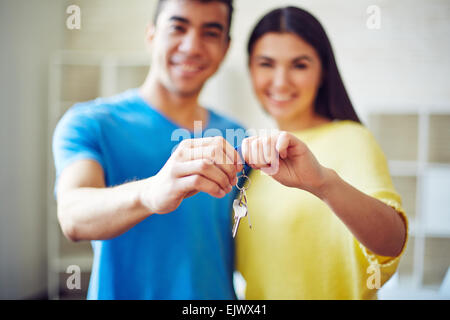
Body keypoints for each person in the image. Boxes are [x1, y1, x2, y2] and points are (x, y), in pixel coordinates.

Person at [53, 0, 246, 299]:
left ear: (225, 48)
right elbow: (73, 216)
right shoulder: (91, 123)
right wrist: (152, 192)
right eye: (178, 27)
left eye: (210, 33)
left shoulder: (237, 136)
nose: (192, 46)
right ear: (151, 35)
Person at [235, 7, 409, 299]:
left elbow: (392, 243)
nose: (280, 81)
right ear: (250, 68)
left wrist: (323, 183)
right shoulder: (253, 152)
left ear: (322, 71)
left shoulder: (353, 139)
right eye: (266, 64)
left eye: (299, 65)